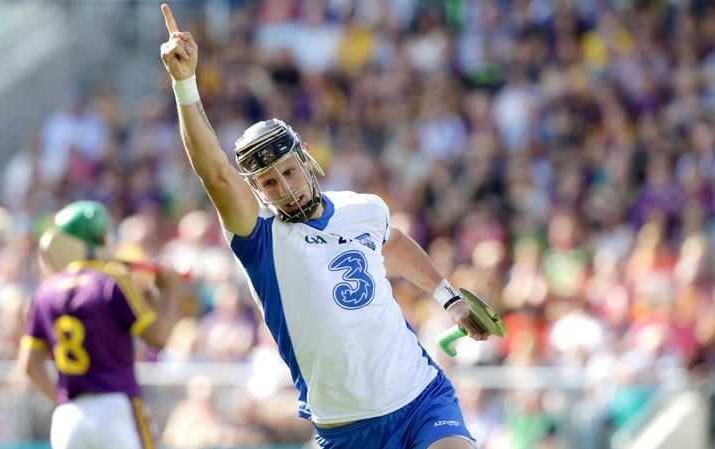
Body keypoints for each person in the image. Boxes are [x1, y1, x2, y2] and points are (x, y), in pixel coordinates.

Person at [159, 4, 491, 448]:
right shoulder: (261, 239)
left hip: (418, 398)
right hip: (347, 428)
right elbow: (215, 172)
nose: (285, 188)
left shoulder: (363, 208)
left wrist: (448, 297)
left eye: (289, 171)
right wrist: (185, 85)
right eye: (269, 183)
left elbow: (392, 244)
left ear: (307, 158)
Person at [17, 200, 182, 449]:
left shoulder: (44, 292)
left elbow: (29, 364)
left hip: (68, 418)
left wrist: (62, 399)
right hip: (115, 409)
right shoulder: (111, 283)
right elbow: (158, 338)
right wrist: (171, 291)